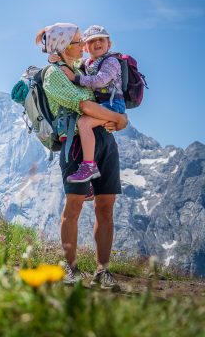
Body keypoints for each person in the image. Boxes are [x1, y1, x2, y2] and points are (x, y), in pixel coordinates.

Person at [34, 22, 127, 289]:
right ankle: (70, 267)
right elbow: (83, 104)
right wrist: (120, 119)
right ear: (62, 47)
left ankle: (102, 270)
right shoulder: (53, 75)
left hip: (104, 141)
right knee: (74, 206)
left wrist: (114, 120)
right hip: (76, 143)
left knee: (106, 206)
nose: (82, 46)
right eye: (76, 42)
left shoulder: (79, 69)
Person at [50, 25, 125, 202]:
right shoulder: (88, 63)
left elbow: (100, 81)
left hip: (113, 105)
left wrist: (75, 78)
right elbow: (70, 64)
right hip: (105, 107)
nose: (97, 43)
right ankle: (90, 167)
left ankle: (89, 166)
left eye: (101, 39)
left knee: (84, 123)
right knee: (85, 123)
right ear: (85, 46)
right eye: (91, 41)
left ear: (109, 43)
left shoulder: (111, 62)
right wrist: (55, 58)